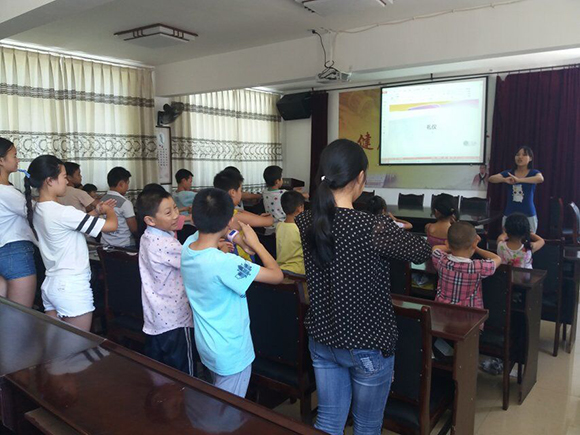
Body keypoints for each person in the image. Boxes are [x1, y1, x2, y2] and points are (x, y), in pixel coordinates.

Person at [295, 139, 432, 434]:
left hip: (323, 338)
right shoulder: (371, 226)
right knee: (367, 426)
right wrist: (389, 224)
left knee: (328, 421)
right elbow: (422, 251)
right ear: (360, 178)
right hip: (366, 343)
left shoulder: (306, 220)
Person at [181, 188, 283, 397]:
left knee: (216, 397)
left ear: (194, 217)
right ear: (229, 220)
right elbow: (276, 275)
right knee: (227, 410)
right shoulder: (225, 263)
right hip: (231, 351)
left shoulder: (188, 246)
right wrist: (256, 244)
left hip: (207, 345)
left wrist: (239, 240)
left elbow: (217, 232)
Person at [24, 155, 117, 331]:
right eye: (64, 176)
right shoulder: (64, 212)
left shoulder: (36, 209)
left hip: (51, 286)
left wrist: (96, 211)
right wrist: (108, 210)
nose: (67, 182)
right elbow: (111, 226)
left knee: (55, 343)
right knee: (78, 345)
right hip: (72, 287)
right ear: (50, 180)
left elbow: (72, 224)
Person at [136, 187, 196, 376]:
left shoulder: (148, 236)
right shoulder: (166, 244)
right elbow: (195, 262)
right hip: (175, 319)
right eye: (168, 212)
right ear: (150, 220)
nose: (176, 215)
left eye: (176, 208)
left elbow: (178, 227)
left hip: (155, 319)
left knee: (160, 374)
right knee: (185, 376)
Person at [0, 138, 37, 307]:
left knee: (6, 313)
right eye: (14, 156)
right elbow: (37, 213)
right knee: (20, 315)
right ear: (1, 161)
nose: (18, 159)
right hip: (15, 252)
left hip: (4, 251)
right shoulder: (6, 192)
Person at [431, 222, 501, 310]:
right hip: (469, 314)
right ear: (474, 243)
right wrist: (476, 248)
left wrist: (453, 245)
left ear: (447, 243)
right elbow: (497, 258)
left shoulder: (441, 260)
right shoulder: (477, 267)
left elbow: (435, 248)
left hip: (442, 311)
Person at [213, 169, 274, 261]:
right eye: (240, 190)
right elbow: (268, 221)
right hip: (241, 259)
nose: (241, 194)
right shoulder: (237, 216)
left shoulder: (215, 212)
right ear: (233, 192)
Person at [489, 146, 544, 233]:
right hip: (510, 212)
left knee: (528, 238)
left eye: (524, 155)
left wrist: (519, 180)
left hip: (528, 212)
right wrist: (504, 179)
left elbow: (540, 179)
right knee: (507, 238)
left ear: (530, 158)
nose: (520, 157)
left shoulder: (534, 172)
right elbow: (491, 178)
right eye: (518, 155)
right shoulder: (509, 173)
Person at [100, 167, 138, 248]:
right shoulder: (125, 203)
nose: (127, 187)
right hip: (124, 245)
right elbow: (134, 228)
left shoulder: (102, 200)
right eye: (127, 183)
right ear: (121, 184)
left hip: (105, 245)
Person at [276, 190, 305, 276]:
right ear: (300, 208)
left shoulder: (279, 226)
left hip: (281, 269)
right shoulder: (300, 229)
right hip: (298, 271)